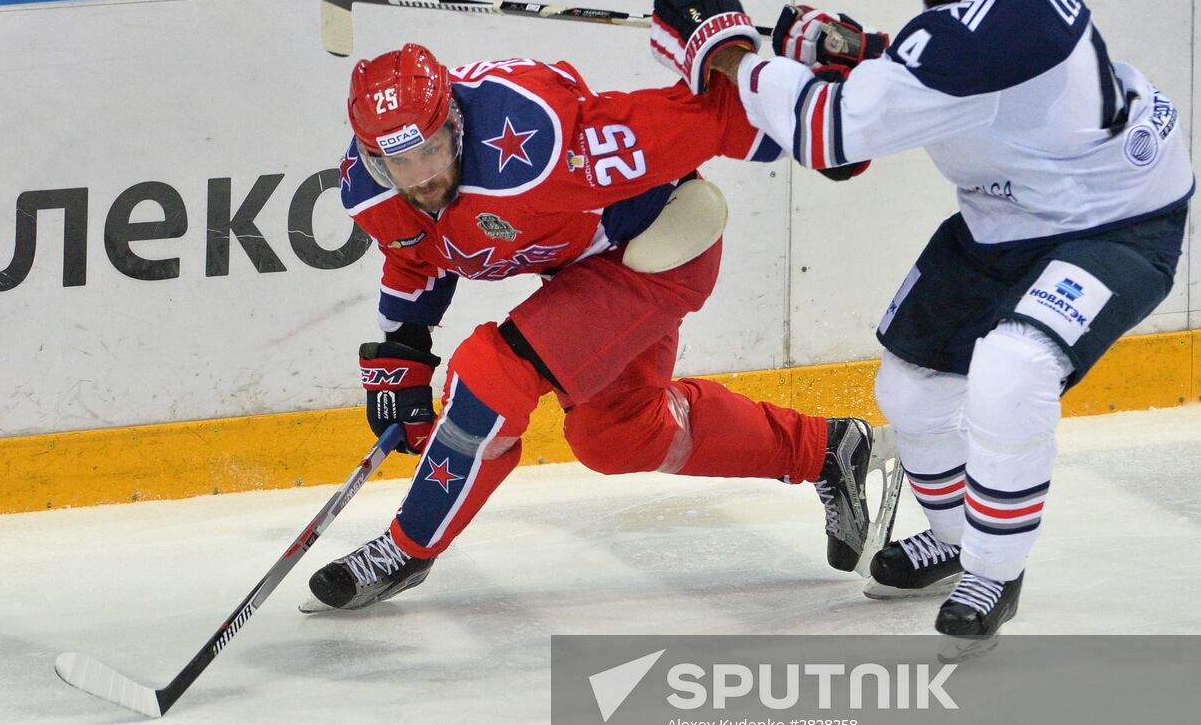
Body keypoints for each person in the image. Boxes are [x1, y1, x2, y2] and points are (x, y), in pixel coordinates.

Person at [652, 0, 1194, 639]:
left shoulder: (996, 31)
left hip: (1117, 222)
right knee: (909, 386)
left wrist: (726, 51)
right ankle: (951, 537)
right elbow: (930, 65)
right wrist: (851, 47)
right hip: (1008, 216)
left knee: (1013, 367)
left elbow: (828, 131)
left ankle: (994, 572)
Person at [306, 43, 896, 610]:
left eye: (430, 151)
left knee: (491, 375)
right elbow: (416, 249)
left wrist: (835, 120)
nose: (417, 177)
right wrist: (403, 349)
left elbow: (706, 116)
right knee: (617, 435)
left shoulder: (540, 139)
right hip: (585, 268)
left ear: (455, 124)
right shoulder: (372, 186)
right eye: (396, 163)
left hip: (660, 247)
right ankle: (827, 449)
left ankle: (407, 550)